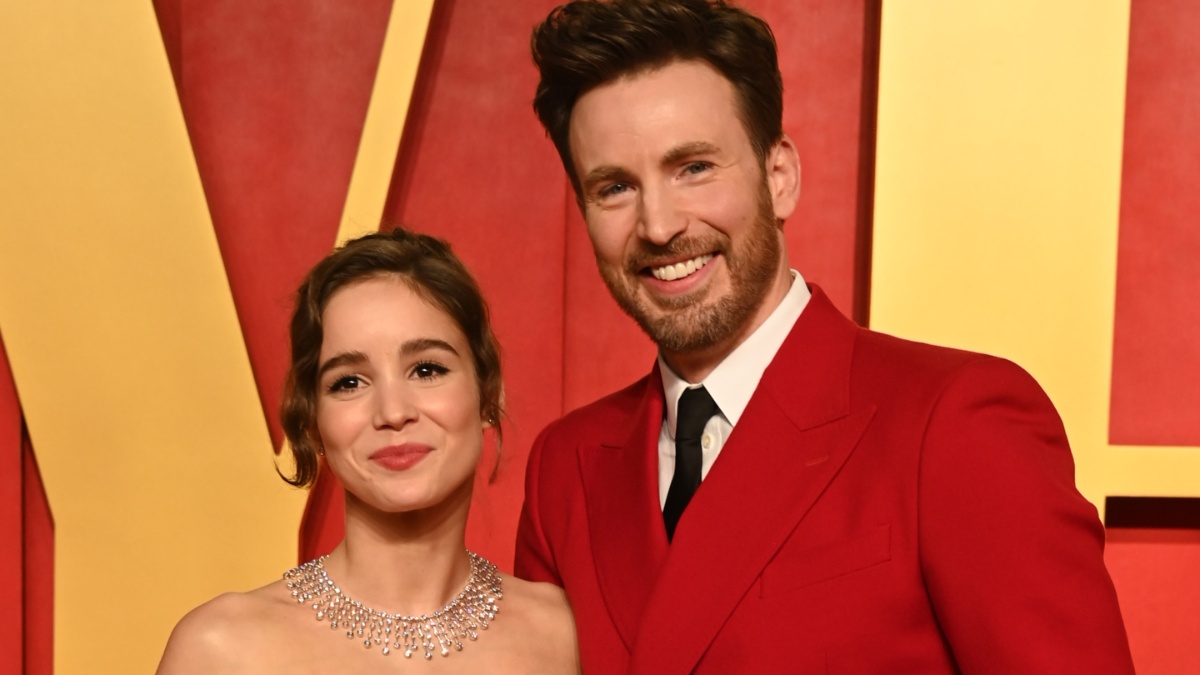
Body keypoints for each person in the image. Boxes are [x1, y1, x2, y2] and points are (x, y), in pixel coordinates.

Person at [514, 1, 1135, 672]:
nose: (659, 225)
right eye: (615, 187)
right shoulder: (566, 470)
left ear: (779, 177)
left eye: (693, 167)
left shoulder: (954, 421)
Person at [158, 229, 579, 674]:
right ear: (313, 422)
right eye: (349, 382)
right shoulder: (222, 650)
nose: (393, 413)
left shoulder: (561, 634)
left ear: (488, 396)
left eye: (426, 370)